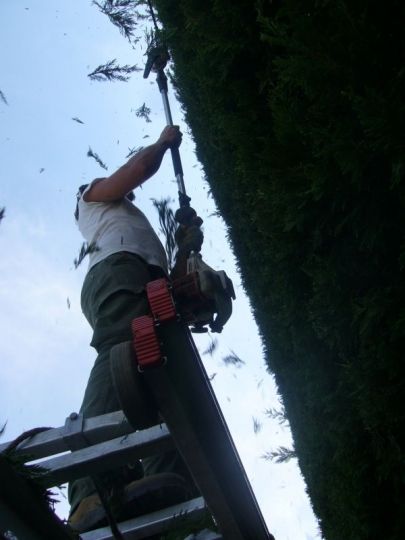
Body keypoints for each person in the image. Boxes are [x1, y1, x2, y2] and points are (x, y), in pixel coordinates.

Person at [68, 125, 198, 533]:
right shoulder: (92, 199)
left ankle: (160, 476)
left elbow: (174, 279)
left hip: (142, 273)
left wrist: (186, 244)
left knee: (161, 367)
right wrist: (162, 143)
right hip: (117, 271)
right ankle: (90, 488)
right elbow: (140, 166)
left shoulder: (135, 227)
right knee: (122, 343)